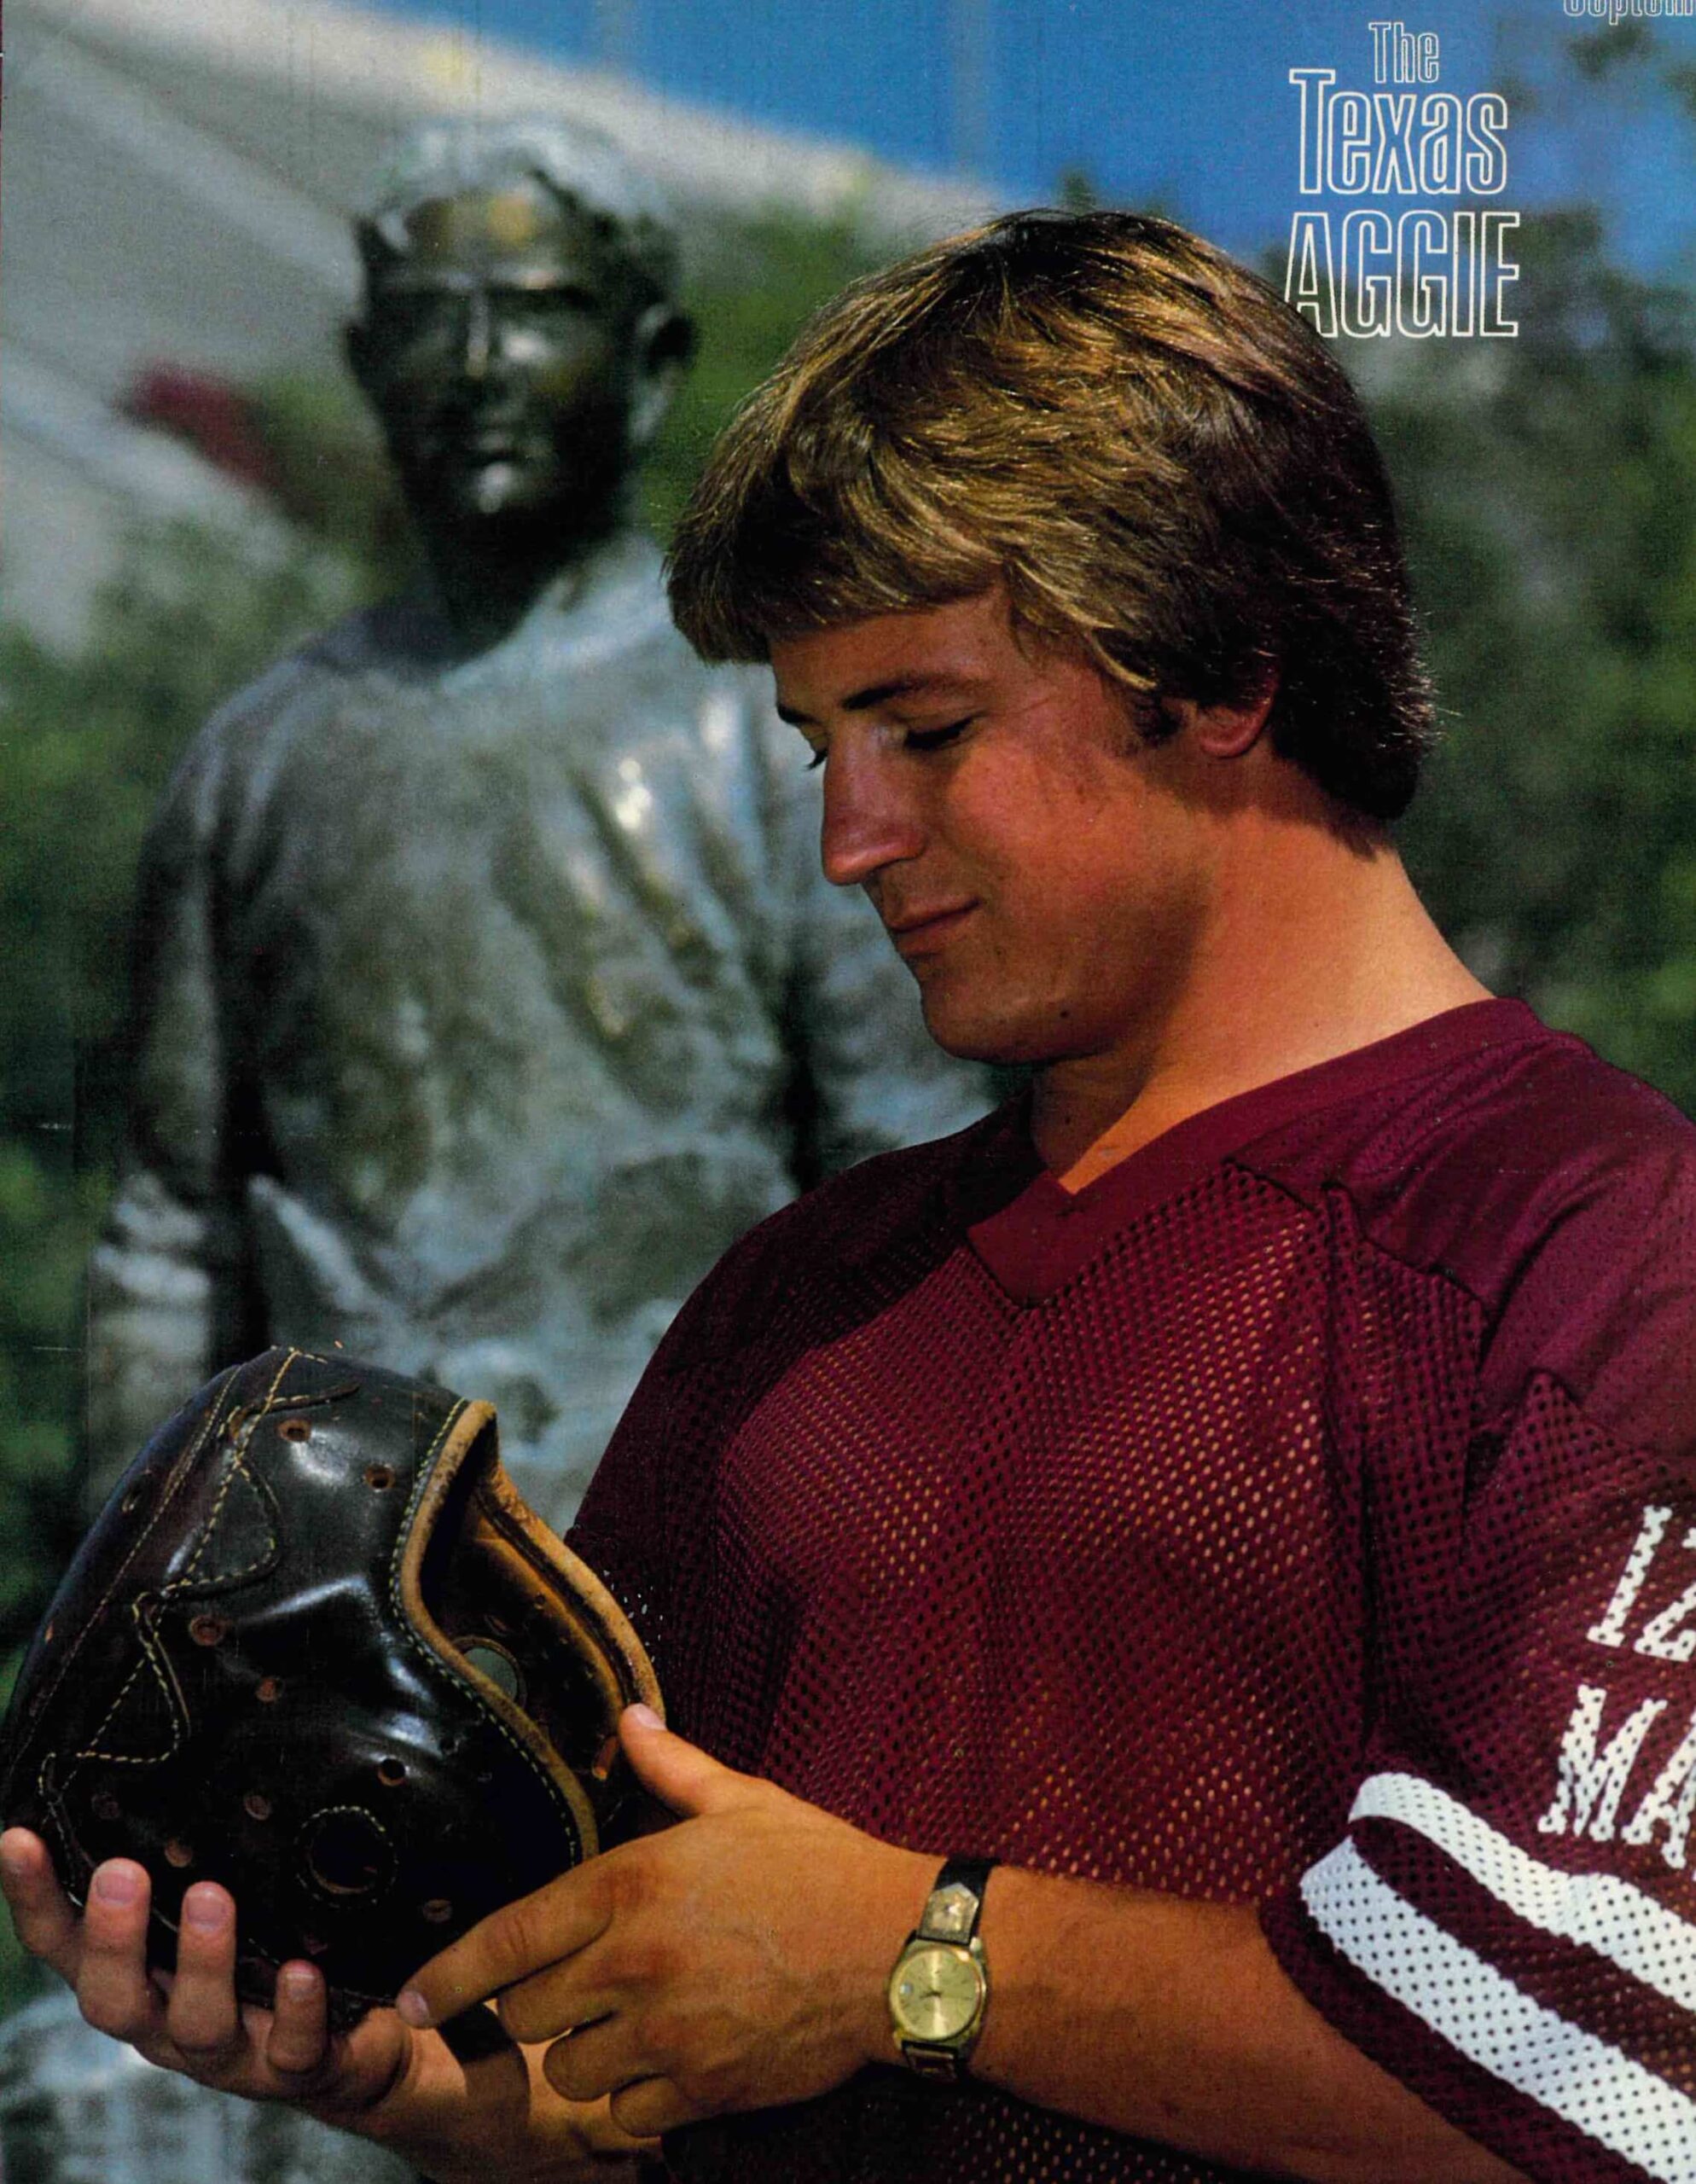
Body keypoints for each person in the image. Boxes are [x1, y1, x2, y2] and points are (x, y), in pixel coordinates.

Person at [10, 208, 1696, 2184]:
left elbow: (1598, 2048)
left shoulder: (1589, 1249)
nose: (845, 838)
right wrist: (413, 2085)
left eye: (927, 728)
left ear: (1225, 664)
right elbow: (669, 2039)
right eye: (816, 744)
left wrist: (923, 1950)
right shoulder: (796, 1296)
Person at [80, 113, 984, 1538]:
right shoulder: (254, 765)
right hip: (331, 1596)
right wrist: (133, 1581)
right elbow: (168, 1241)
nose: (482, 365)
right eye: (434, 320)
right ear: (370, 364)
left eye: (540, 314)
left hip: (684, 1564)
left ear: (650, 365)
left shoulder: (768, 733)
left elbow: (905, 1183)